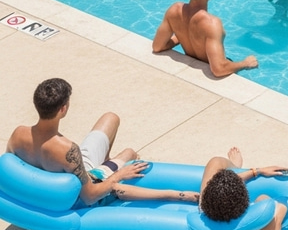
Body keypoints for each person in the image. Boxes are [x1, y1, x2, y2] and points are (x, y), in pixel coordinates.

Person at [7, 78, 198, 207]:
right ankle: (176, 194)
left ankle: (110, 164)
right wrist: (117, 176)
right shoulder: (67, 150)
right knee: (130, 158)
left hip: (45, 191)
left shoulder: (18, 135)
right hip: (81, 194)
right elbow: (90, 196)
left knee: (111, 119)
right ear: (63, 109)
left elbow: (11, 171)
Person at [152, 0, 260, 77]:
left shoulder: (173, 11)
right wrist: (245, 63)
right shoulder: (212, 23)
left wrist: (181, 36)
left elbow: (157, 47)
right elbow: (218, 69)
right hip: (214, 69)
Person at [199, 147, 288, 230]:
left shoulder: (200, 217)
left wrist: (256, 171)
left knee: (216, 162)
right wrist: (257, 171)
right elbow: (283, 206)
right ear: (246, 203)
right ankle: (234, 167)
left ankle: (235, 167)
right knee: (263, 198)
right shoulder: (262, 228)